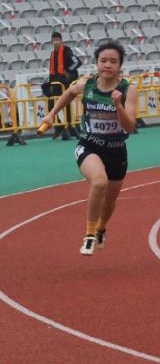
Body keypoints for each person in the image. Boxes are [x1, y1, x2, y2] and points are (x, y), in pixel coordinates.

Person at [40, 40, 138, 256]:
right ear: (97, 62)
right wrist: (51, 114)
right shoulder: (87, 85)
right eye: (103, 60)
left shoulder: (128, 90)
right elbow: (69, 93)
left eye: (113, 61)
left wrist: (118, 105)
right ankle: (90, 234)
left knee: (110, 200)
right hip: (90, 145)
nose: (107, 65)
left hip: (117, 150)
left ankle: (101, 228)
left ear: (120, 65)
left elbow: (130, 127)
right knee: (99, 183)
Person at [45, 31, 83, 139]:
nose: (55, 42)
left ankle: (70, 125)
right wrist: (49, 83)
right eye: (54, 40)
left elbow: (78, 62)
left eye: (57, 40)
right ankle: (60, 125)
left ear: (61, 41)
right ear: (51, 41)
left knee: (66, 103)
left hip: (67, 80)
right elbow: (52, 71)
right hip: (57, 81)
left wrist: (68, 70)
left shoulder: (67, 51)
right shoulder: (52, 54)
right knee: (51, 102)